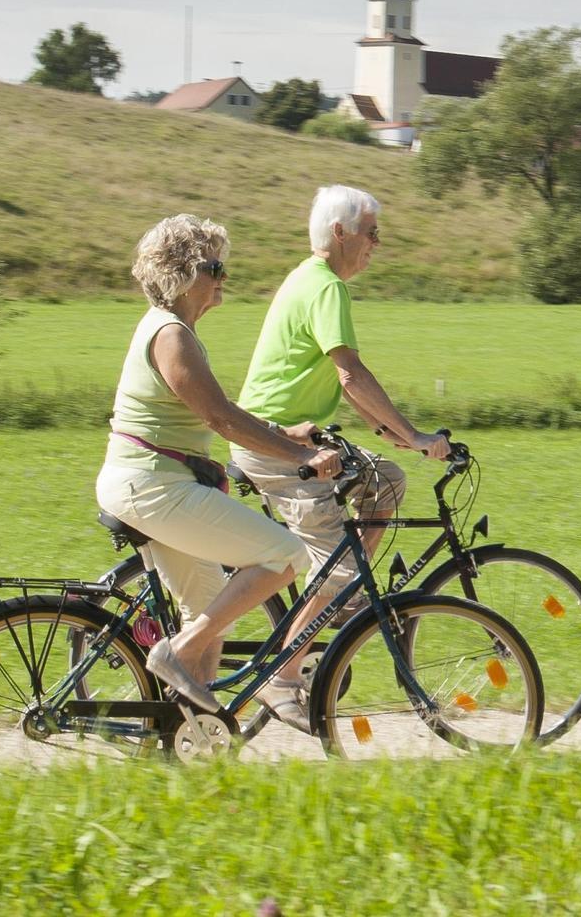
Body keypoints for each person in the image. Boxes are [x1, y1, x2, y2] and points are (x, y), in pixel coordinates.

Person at [95, 214, 341, 714]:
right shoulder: (171, 335)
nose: (223, 277)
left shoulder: (176, 331)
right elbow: (219, 418)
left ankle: (196, 736)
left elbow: (218, 410)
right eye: (215, 267)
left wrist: (281, 434)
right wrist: (303, 457)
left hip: (155, 485)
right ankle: (176, 654)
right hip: (153, 487)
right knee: (287, 555)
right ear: (182, 271)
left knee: (212, 613)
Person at [233, 184, 452, 731]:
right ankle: (281, 678)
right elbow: (350, 374)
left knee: (387, 480)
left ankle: (346, 602)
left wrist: (396, 436)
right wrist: (415, 433)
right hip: (276, 444)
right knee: (340, 567)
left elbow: (341, 383)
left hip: (298, 437)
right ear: (341, 232)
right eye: (371, 233)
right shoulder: (325, 286)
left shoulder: (310, 279)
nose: (377, 245)